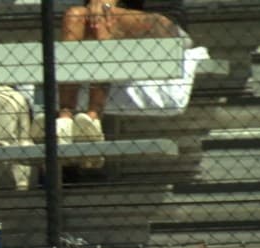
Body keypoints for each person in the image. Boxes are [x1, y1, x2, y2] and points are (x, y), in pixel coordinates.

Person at [31, 0, 184, 147]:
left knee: (104, 16)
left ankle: (93, 119)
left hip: (165, 27)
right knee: (74, 16)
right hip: (105, 18)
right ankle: (65, 119)